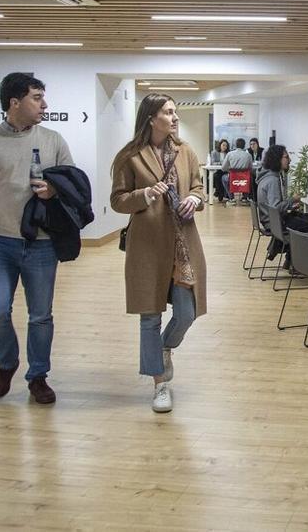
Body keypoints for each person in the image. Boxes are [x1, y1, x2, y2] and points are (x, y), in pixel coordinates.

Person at [0, 72, 73, 405]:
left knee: (41, 315)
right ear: (14, 102)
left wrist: (55, 190)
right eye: (37, 97)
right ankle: (7, 362)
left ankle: (38, 376)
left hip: (41, 243)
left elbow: (74, 187)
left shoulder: (53, 140)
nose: (44, 104)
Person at [110, 93, 208, 413]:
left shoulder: (185, 151)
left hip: (183, 244)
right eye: (169, 112)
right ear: (152, 118)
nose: (175, 117)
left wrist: (195, 199)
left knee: (186, 313)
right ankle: (160, 383)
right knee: (149, 317)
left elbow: (197, 188)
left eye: (175, 111)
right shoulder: (130, 156)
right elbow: (118, 200)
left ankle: (164, 349)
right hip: (148, 245)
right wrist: (145, 193)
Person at [256, 144, 308, 261]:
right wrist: (292, 200)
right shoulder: (273, 180)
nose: (290, 160)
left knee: (306, 218)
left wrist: (289, 207)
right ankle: (295, 263)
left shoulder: (267, 177)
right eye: (286, 157)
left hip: (272, 221)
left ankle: (290, 261)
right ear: (277, 159)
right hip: (275, 223)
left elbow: (273, 206)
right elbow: (275, 208)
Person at [220, 137, 254, 202]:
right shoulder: (248, 155)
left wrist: (230, 170)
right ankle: (245, 197)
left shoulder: (230, 154)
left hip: (233, 178)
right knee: (250, 177)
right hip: (244, 178)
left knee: (224, 178)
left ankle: (231, 197)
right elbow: (251, 168)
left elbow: (223, 168)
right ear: (244, 146)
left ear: (236, 145)